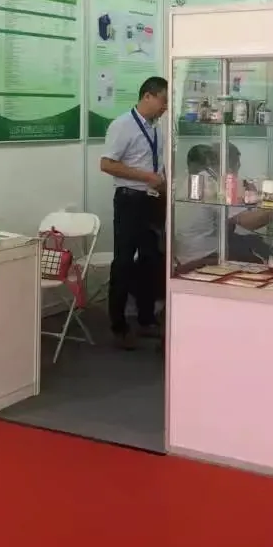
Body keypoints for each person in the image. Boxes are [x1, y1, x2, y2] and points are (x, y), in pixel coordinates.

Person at [101, 76, 168, 349]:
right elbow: (107, 164)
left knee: (151, 260)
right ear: (147, 96)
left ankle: (146, 318)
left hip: (153, 201)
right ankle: (118, 326)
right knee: (124, 262)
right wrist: (145, 177)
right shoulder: (122, 125)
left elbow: (157, 165)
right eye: (163, 100)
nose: (165, 107)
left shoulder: (156, 128)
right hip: (130, 200)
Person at [173, 143, 270, 270]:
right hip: (204, 256)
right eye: (237, 166)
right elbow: (250, 222)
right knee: (262, 252)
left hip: (184, 254)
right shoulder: (213, 183)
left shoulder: (194, 178)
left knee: (251, 241)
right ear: (228, 164)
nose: (237, 172)